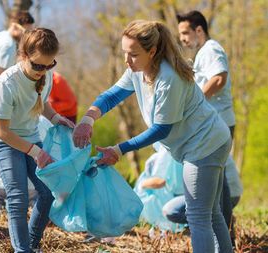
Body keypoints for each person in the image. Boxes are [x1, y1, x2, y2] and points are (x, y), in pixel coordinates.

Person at [72, 20, 233, 253]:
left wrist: (119, 150)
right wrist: (87, 120)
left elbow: (161, 129)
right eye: (125, 53)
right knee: (211, 213)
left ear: (152, 51)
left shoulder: (169, 78)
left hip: (204, 145)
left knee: (198, 216)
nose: (127, 61)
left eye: (133, 54)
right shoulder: (138, 70)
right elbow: (111, 96)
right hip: (208, 140)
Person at [0, 28, 75, 252]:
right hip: (4, 142)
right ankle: (22, 250)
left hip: (31, 137)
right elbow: (1, 131)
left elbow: (41, 102)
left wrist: (56, 118)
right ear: (23, 55)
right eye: (37, 65)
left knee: (48, 193)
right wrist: (36, 152)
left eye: (49, 65)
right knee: (18, 196)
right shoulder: (7, 83)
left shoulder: (45, 78)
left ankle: (32, 245)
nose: (42, 71)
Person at [177, 10, 241, 244]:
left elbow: (218, 78)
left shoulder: (211, 48)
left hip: (220, 121)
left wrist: (195, 102)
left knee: (219, 183)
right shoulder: (203, 52)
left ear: (199, 30)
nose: (183, 39)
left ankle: (225, 237)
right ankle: (224, 237)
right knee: (217, 183)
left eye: (185, 33)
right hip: (214, 123)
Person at [0, 11, 35, 120]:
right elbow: (0, 79)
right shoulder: (8, 45)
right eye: (26, 32)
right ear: (15, 27)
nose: (26, 37)